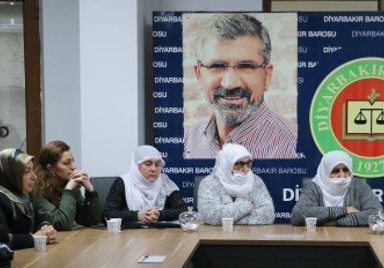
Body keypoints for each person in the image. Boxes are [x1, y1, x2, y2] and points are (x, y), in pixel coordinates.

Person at [184, 13, 297, 159]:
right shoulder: (186, 141)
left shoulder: (293, 148)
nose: (230, 84)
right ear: (199, 74)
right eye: (217, 66)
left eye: (246, 66)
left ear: (267, 76)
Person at [0, 149, 57, 250]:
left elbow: (39, 220)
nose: (34, 177)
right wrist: (35, 238)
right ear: (10, 173)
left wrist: (46, 229)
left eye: (32, 170)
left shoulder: (20, 194)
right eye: (27, 171)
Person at [291, 150, 383, 226]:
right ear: (325, 172)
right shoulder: (314, 187)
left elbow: (377, 213)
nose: (342, 175)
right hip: (319, 238)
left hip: (353, 238)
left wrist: (336, 222)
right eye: (335, 171)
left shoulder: (359, 186)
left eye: (346, 170)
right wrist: (345, 210)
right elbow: (297, 215)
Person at [103, 145, 187, 224]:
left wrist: (159, 214)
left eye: (157, 164)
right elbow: (108, 214)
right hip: (129, 233)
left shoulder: (164, 182)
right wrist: (137, 216)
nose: (153, 169)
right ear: (136, 166)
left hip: (160, 232)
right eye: (148, 164)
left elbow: (183, 211)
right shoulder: (123, 183)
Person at [197, 143, 275, 225]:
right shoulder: (209, 183)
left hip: (249, 232)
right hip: (216, 233)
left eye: (248, 164)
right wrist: (248, 206)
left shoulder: (255, 181)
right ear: (225, 164)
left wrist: (230, 220)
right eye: (239, 164)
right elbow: (210, 216)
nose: (246, 169)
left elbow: (268, 215)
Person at [33, 141, 102, 230]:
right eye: (66, 163)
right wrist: (68, 190)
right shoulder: (37, 190)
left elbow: (90, 221)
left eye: (73, 161)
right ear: (51, 168)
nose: (73, 167)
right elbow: (62, 224)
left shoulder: (66, 182)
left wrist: (90, 192)